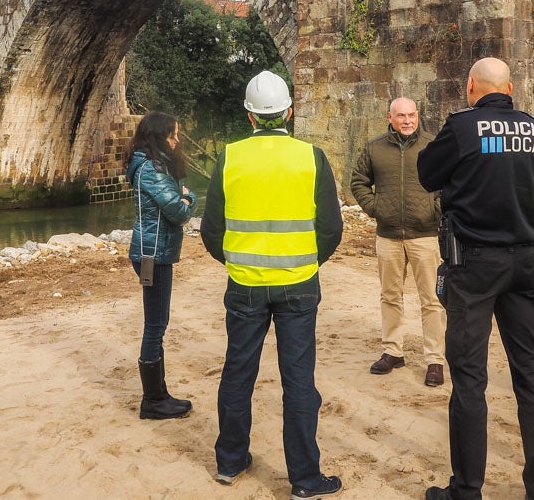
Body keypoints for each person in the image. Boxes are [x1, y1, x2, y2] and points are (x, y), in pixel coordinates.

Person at [417, 58, 534, 500]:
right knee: (532, 378)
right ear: (510, 88)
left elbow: (426, 174)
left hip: (475, 263)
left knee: (470, 379)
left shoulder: (462, 127)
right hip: (525, 262)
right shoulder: (532, 129)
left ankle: (467, 489)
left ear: (471, 87)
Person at [202, 70, 344, 498]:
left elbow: (211, 229)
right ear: (289, 111)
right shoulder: (311, 157)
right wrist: (307, 261)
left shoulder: (229, 158)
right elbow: (331, 227)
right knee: (299, 382)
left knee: (237, 373)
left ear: (249, 116)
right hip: (299, 284)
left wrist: (236, 261)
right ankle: (304, 479)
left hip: (244, 284)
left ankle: (230, 462)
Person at [350, 96, 445, 387]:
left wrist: (435, 211)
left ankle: (435, 360)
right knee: (390, 296)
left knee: (432, 301)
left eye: (412, 115)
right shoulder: (374, 148)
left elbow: (451, 183)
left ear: (418, 116)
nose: (407, 121)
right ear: (389, 117)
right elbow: (358, 181)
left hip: (426, 235)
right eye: (401, 116)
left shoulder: (433, 146)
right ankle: (393, 351)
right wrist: (376, 209)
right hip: (388, 236)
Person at [126, 111, 198, 420]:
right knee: (155, 324)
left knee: (158, 322)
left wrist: (185, 196)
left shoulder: (153, 166)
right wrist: (188, 199)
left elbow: (179, 201)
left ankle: (159, 395)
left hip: (154, 253)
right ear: (158, 137)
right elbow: (179, 213)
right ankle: (153, 401)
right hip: (151, 257)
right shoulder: (152, 170)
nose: (177, 140)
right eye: (173, 135)